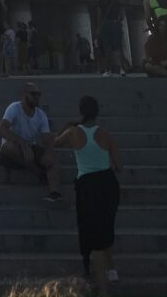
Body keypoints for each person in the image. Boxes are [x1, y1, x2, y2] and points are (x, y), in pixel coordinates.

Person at [55, 96, 121, 295]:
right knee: (106, 227)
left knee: (95, 237)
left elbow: (55, 142)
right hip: (108, 183)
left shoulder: (73, 132)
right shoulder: (106, 134)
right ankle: (111, 271)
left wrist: (67, 126)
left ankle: (103, 288)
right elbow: (119, 165)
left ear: (81, 111)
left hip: (87, 186)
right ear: (97, 111)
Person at [0, 81, 62, 202]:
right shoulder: (14, 108)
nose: (37, 97)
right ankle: (38, 171)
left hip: (30, 149)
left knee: (52, 158)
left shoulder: (41, 115)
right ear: (24, 95)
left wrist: (48, 152)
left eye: (39, 94)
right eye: (34, 94)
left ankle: (54, 193)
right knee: (7, 147)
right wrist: (22, 144)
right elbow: (1, 129)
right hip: (13, 151)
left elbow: (47, 138)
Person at [97, 0, 126, 77]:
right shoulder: (116, 2)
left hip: (105, 26)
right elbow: (122, 15)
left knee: (107, 48)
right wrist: (118, 21)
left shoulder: (100, 2)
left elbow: (99, 16)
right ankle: (121, 69)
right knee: (118, 48)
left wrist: (98, 28)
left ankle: (107, 70)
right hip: (115, 24)